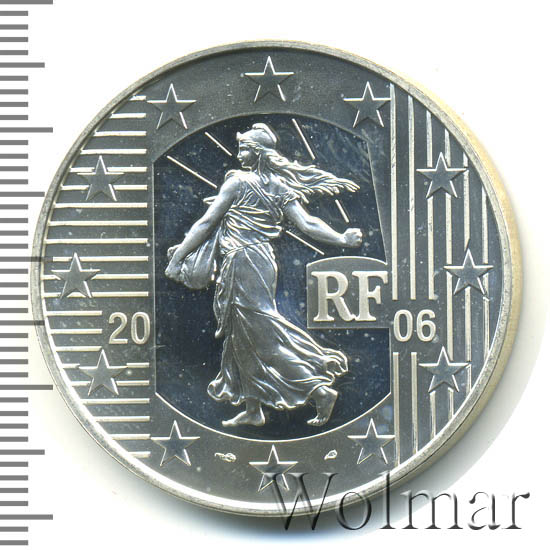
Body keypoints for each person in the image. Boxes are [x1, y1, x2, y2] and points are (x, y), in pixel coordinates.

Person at [165, 123, 363, 427]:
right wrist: (341, 239)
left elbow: (206, 223)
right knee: (241, 335)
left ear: (258, 153)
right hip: (260, 260)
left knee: (261, 336)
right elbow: (308, 224)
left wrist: (178, 257)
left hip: (243, 263)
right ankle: (254, 408)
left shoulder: (238, 182)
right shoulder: (279, 187)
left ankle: (319, 391)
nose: (239, 154)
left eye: (244, 149)